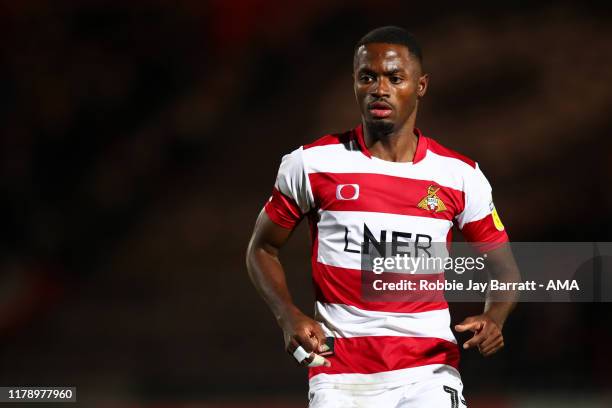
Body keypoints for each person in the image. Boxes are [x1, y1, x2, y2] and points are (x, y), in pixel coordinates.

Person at [246, 26, 520, 408]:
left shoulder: (460, 176)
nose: (380, 88)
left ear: (420, 85)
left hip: (428, 372)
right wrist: (287, 315)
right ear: (355, 84)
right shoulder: (310, 164)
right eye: (368, 77)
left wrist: (495, 317)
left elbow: (505, 270)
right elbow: (262, 249)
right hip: (340, 376)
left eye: (394, 78)